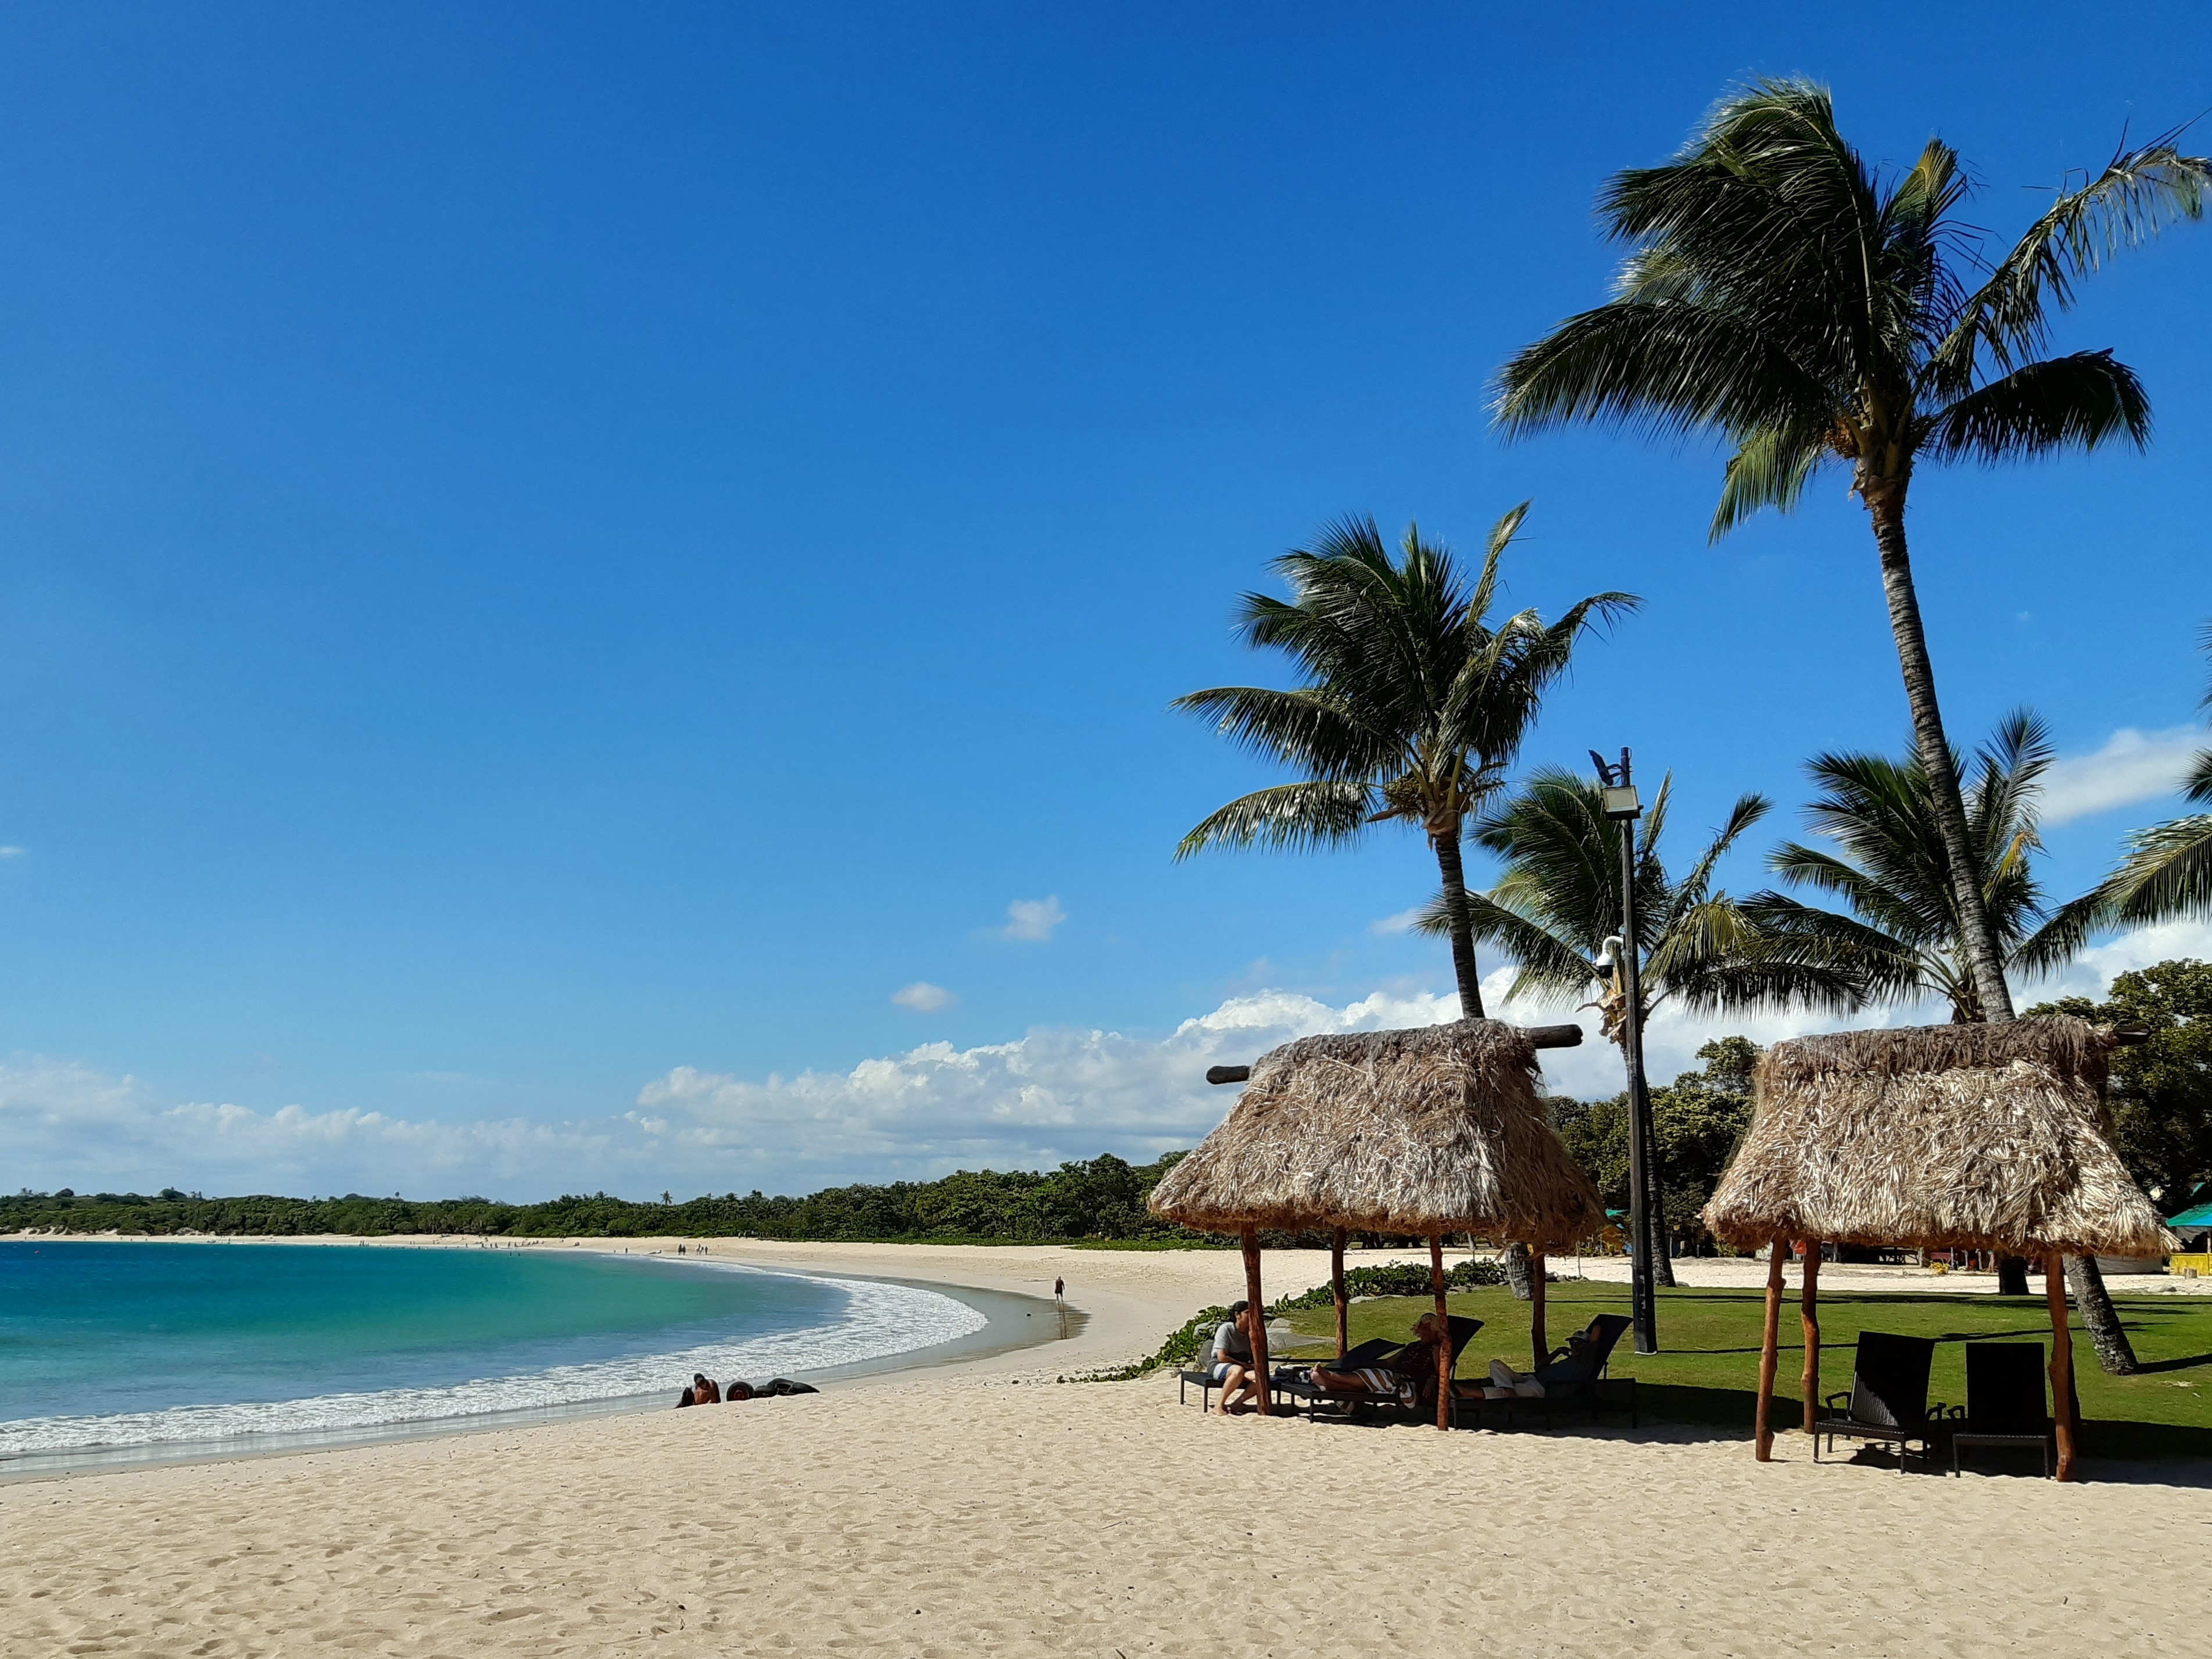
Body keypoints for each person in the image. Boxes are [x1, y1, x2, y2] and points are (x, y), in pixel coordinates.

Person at [1312, 1313, 1448, 1408]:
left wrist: (1432, 1379)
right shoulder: (1412, 1346)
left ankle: (1329, 1376)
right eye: (1423, 1329)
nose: (1424, 1332)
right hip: (1393, 1377)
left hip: (1406, 1382)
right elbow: (1388, 1363)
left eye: (1428, 1329)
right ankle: (1328, 1384)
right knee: (1367, 1378)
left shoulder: (1435, 1348)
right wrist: (1362, 1363)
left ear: (1435, 1331)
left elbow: (1440, 1370)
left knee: (1374, 1376)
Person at [1483, 1316, 1606, 1399]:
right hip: (1530, 1378)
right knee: (1496, 1364)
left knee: (1502, 1393)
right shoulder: (1570, 1360)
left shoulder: (1586, 1360)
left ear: (1587, 1345)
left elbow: (1597, 1328)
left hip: (1541, 1388)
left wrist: (1589, 1342)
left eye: (1579, 1343)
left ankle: (1470, 1393)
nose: (1574, 1346)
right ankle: (1508, 1389)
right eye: (1572, 1343)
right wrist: (1557, 1352)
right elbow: (1539, 1367)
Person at [1209, 1300, 1258, 1415]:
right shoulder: (1226, 1329)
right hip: (1219, 1365)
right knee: (1237, 1370)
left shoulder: (1252, 1333)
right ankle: (1219, 1405)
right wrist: (1245, 1365)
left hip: (1241, 1367)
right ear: (1238, 1315)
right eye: (1247, 1313)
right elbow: (1222, 1357)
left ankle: (1236, 1404)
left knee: (1260, 1377)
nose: (1251, 1316)